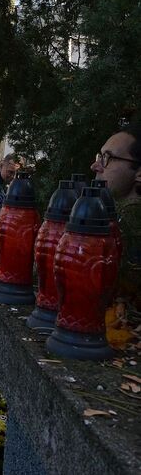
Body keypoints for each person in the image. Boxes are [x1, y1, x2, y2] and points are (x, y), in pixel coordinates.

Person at [91, 122, 141, 339]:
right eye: (99, 157)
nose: (96, 166)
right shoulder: (115, 216)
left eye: (108, 158)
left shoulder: (129, 223)